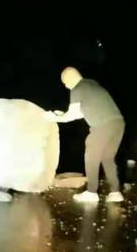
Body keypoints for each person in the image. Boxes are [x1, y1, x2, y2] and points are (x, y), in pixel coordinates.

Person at [46, 67, 125, 203]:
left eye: (65, 83)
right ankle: (115, 192)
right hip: (118, 123)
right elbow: (81, 112)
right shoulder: (92, 84)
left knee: (91, 155)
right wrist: (61, 115)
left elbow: (73, 114)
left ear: (69, 78)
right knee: (107, 158)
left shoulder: (77, 88)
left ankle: (91, 192)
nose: (66, 86)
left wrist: (53, 118)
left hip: (103, 125)